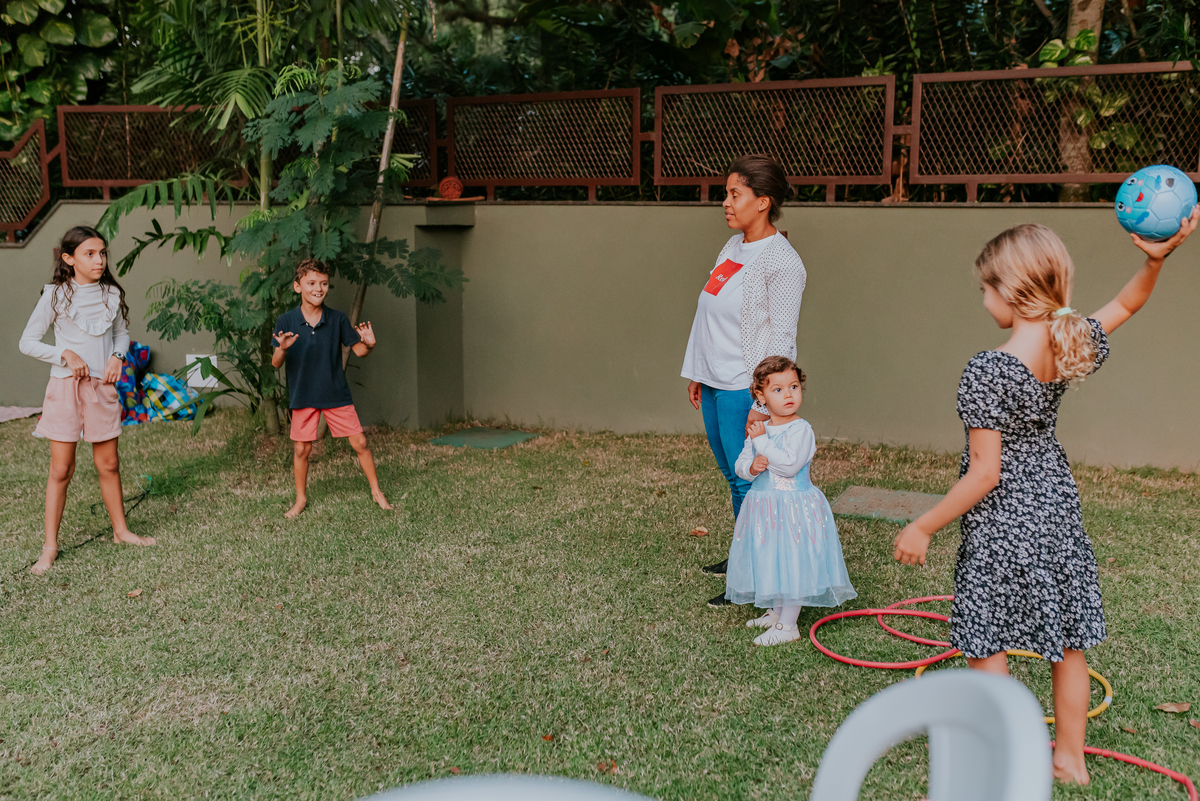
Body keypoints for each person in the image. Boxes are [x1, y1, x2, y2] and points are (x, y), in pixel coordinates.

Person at [893, 210, 1198, 784]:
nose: (983, 299)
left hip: (1003, 521)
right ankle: (1070, 759)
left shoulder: (986, 370)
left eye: (986, 288)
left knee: (986, 642)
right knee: (1066, 644)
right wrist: (1154, 261)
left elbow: (985, 473)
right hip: (1055, 508)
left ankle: (1008, 756)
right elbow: (1128, 304)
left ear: (1011, 292)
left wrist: (924, 525)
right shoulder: (1071, 339)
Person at [680, 154, 806, 609]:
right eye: (727, 193)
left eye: (735, 194)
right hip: (714, 380)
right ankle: (743, 556)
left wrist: (761, 399)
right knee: (730, 473)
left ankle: (753, 574)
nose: (725, 203)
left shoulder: (784, 263)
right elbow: (707, 309)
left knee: (747, 482)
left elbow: (782, 338)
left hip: (741, 386)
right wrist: (697, 370)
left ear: (763, 201)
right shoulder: (731, 249)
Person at [18, 225, 157, 575]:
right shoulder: (56, 295)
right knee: (61, 469)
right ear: (69, 259)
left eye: (102, 253)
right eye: (90, 254)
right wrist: (64, 354)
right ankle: (50, 547)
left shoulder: (110, 293)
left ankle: (121, 531)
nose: (99, 260)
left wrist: (117, 357)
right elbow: (28, 342)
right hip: (66, 388)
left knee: (109, 464)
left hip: (102, 389)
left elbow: (121, 335)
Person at [725, 356, 856, 645]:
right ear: (760, 396)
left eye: (794, 387)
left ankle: (788, 626)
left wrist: (762, 444)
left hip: (795, 507)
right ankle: (776, 611)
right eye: (778, 389)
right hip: (764, 507)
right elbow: (741, 464)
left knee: (794, 561)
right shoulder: (760, 430)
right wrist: (750, 467)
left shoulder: (801, 430)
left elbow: (789, 466)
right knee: (772, 558)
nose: (788, 395)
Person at [272, 259, 392, 518]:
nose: (318, 288)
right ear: (297, 286)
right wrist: (281, 348)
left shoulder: (337, 319)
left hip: (335, 392)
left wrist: (369, 344)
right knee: (302, 449)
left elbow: (359, 351)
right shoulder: (286, 320)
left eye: (324, 283)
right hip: (303, 394)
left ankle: (377, 493)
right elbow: (275, 362)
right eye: (311, 283)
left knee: (360, 442)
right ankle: (301, 499)